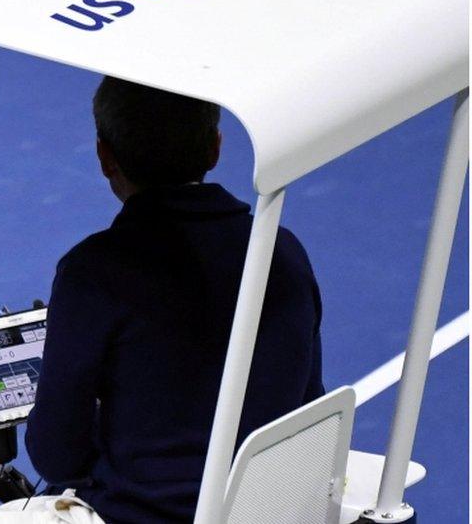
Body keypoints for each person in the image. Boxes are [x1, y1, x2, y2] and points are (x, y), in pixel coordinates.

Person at [25, 77, 325, 523]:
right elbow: (307, 404)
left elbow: (56, 457)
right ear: (215, 147)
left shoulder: (92, 274)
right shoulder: (283, 252)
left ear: (105, 157)